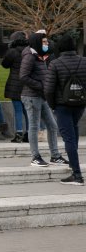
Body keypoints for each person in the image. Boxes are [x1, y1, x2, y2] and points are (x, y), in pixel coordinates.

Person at [20, 32, 67, 167]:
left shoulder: (39, 55)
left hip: (41, 96)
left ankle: (55, 155)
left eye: (47, 42)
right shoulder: (30, 56)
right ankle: (35, 156)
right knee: (34, 127)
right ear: (37, 43)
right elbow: (23, 76)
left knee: (52, 125)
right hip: (31, 96)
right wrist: (41, 86)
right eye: (44, 42)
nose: (47, 44)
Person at [44, 35, 86, 185]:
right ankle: (73, 164)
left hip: (62, 105)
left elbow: (48, 89)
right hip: (80, 104)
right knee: (73, 132)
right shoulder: (84, 61)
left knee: (68, 137)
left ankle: (77, 175)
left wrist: (53, 105)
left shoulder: (55, 64)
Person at [1, 31, 30, 143]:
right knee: (27, 110)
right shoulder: (29, 51)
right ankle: (28, 133)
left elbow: (4, 64)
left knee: (17, 110)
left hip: (14, 84)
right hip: (27, 84)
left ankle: (18, 133)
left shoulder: (12, 52)